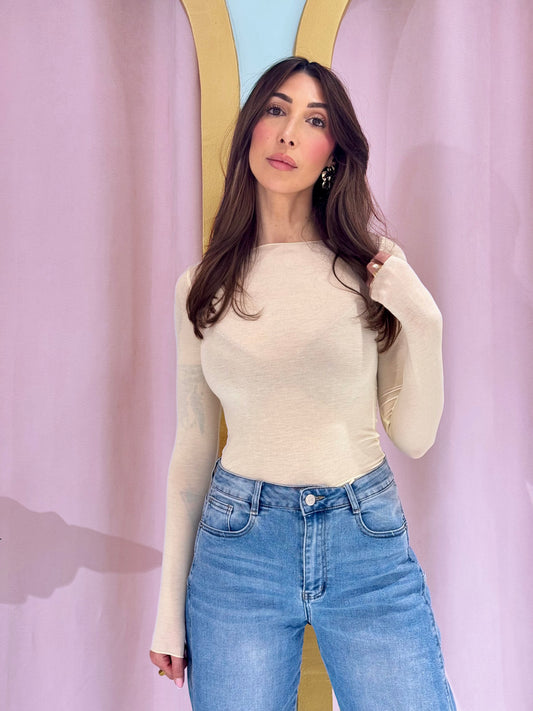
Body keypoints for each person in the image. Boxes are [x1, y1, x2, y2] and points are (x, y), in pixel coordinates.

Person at [149, 56, 456, 711]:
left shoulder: (371, 271)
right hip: (238, 552)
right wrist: (168, 610)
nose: (289, 132)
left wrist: (424, 320)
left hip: (365, 542)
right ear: (251, 130)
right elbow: (193, 447)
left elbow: (415, 436)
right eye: (276, 110)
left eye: (314, 121)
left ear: (333, 157)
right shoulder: (200, 287)